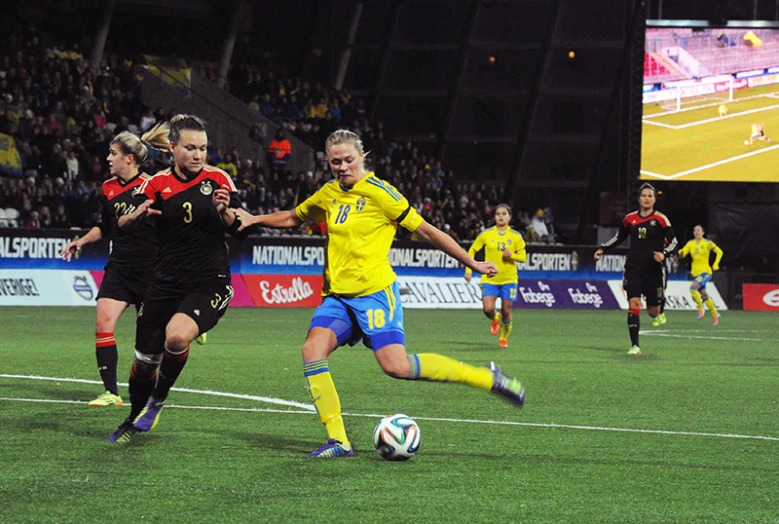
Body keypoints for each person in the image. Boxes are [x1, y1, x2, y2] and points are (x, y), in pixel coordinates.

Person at [235, 129, 526, 458]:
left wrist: (471, 261)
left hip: (375, 293)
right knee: (312, 350)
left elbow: (427, 231)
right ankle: (339, 440)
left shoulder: (381, 193)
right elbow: (292, 217)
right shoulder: (328, 193)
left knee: (396, 367)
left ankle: (486, 377)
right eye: (335, 162)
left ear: (362, 157)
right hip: (338, 298)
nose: (342, 167)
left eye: (348, 160)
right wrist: (255, 218)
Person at [107, 114, 245, 443]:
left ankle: (158, 400)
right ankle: (133, 416)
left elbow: (240, 231)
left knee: (177, 338)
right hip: (164, 283)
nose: (198, 155)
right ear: (172, 148)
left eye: (203, 149)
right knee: (143, 364)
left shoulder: (219, 179)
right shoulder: (155, 184)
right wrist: (137, 215)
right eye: (190, 148)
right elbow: (123, 225)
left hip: (209, 281)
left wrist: (225, 211)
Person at [60, 126, 169, 407]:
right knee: (103, 323)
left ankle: (189, 318)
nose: (108, 158)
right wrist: (81, 241)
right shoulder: (108, 188)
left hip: (151, 270)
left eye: (113, 153)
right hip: (120, 268)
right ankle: (111, 393)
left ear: (129, 158)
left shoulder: (153, 186)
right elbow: (104, 226)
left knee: (157, 336)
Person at [594, 183, 678, 355]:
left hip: (654, 270)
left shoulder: (661, 219)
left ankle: (660, 308)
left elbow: (674, 243)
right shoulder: (629, 219)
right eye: (644, 195)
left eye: (650, 196)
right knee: (634, 304)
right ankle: (635, 346)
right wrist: (603, 249)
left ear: (654, 199)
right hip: (634, 268)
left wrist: (664, 253)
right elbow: (619, 238)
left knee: (652, 311)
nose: (647, 199)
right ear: (639, 198)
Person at [464, 204, 526, 348]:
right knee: (487, 309)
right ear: (494, 217)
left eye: (504, 213)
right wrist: (468, 271)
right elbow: (472, 251)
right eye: (498, 213)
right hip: (490, 278)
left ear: (509, 217)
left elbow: (523, 257)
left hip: (509, 279)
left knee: (506, 310)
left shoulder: (516, 236)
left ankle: (504, 337)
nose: (500, 216)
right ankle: (494, 317)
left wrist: (512, 256)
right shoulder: (486, 234)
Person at [677, 225, 723, 324]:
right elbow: (683, 253)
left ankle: (701, 309)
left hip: (705, 272)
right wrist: (680, 253)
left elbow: (719, 252)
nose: (696, 232)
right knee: (704, 294)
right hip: (696, 274)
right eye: (694, 230)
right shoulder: (690, 244)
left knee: (692, 288)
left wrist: (715, 264)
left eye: (698, 230)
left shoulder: (707, 243)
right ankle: (715, 314)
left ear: (703, 232)